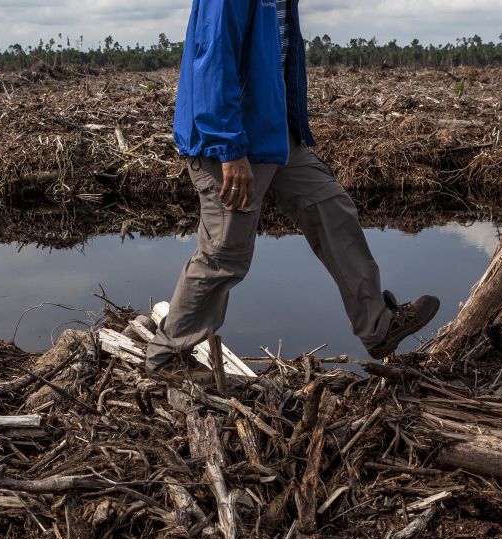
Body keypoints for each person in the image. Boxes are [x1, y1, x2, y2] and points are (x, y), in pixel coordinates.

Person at [145, 0, 439, 378]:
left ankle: (378, 326)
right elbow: (213, 56)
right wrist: (229, 149)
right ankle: (167, 358)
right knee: (225, 254)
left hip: (273, 131)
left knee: (330, 206)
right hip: (229, 141)